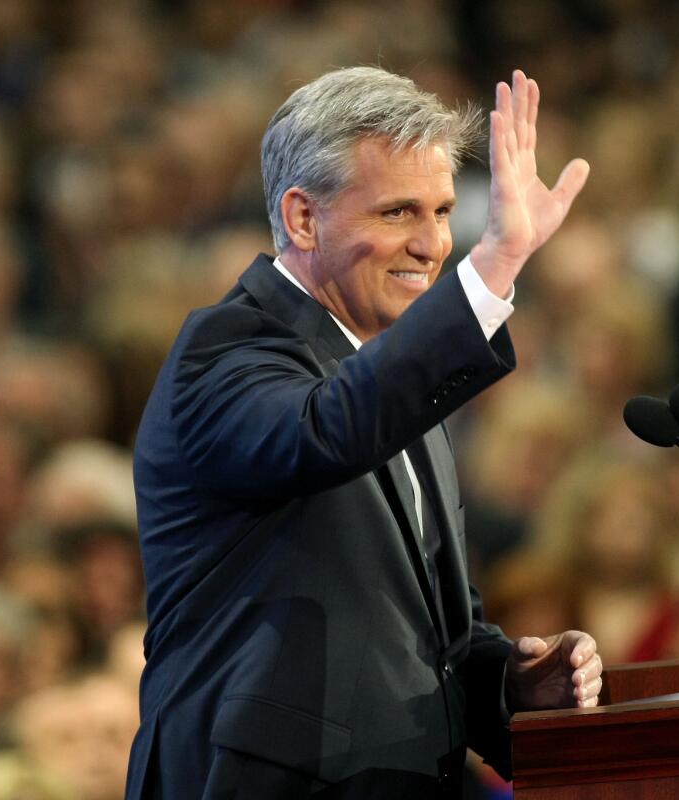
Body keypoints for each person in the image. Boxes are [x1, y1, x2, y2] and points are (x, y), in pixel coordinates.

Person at [128, 67, 601, 799]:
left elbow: (426, 631)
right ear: (303, 218)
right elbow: (321, 431)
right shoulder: (223, 352)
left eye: (443, 212)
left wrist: (510, 683)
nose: (433, 244)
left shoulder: (396, 381)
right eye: (398, 213)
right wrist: (494, 268)